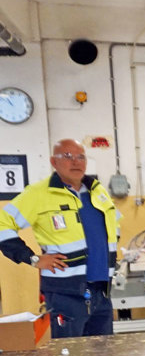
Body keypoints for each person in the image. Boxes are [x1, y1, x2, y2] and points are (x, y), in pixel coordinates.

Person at [0, 139, 121, 338]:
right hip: (66, 294)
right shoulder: (39, 193)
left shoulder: (97, 191)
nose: (76, 161)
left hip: (101, 291)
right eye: (67, 156)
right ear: (53, 162)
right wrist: (33, 258)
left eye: (81, 156)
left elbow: (113, 226)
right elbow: (2, 224)